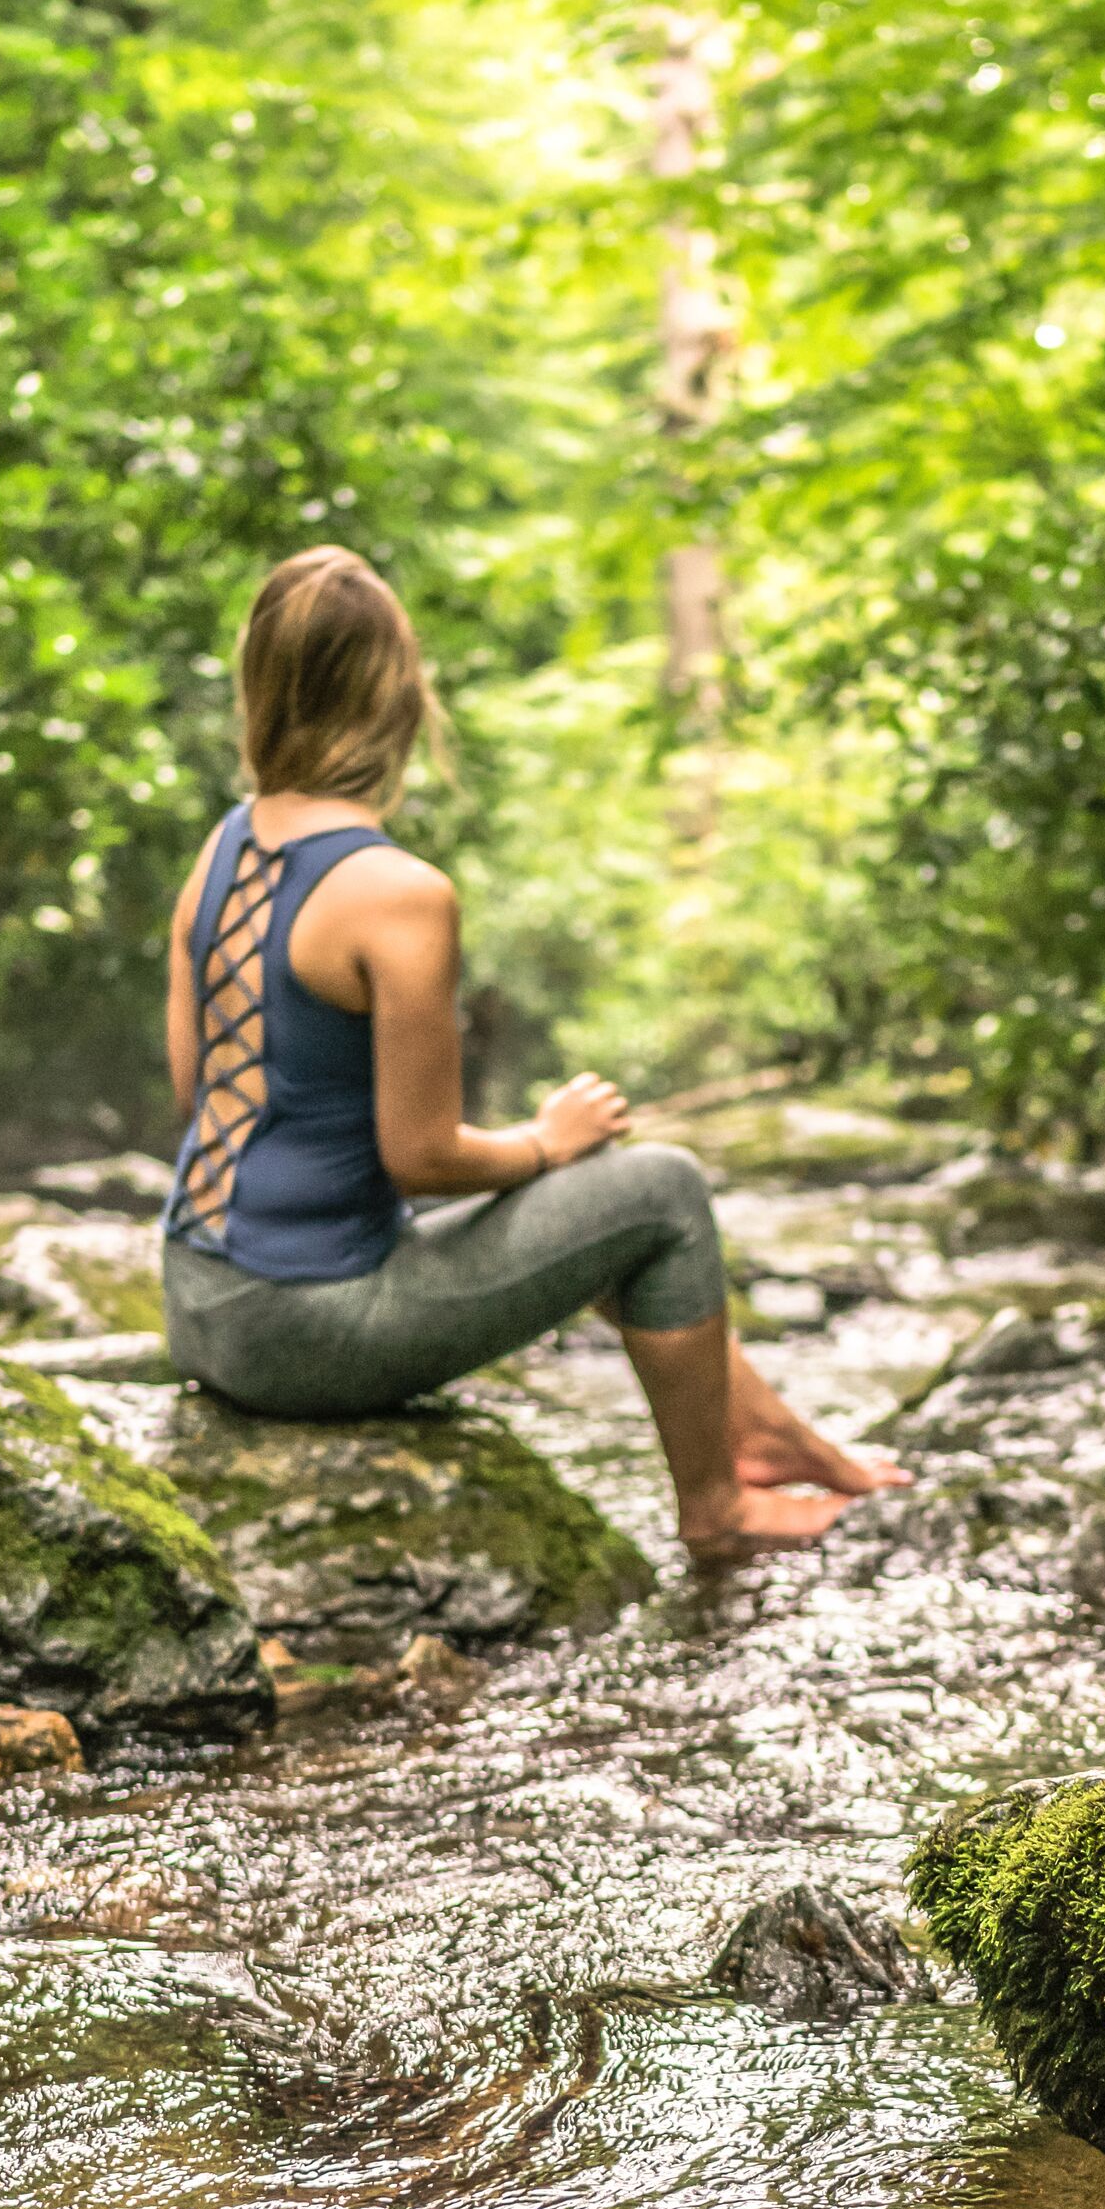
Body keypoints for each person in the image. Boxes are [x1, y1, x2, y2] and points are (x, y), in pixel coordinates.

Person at [160, 546, 903, 1547]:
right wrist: (548, 1143)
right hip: (305, 1333)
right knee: (660, 1190)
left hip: (198, 1297)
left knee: (590, 1219)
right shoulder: (398, 894)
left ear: (259, 688)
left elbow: (194, 1088)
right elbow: (418, 1158)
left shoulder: (224, 849)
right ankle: (718, 1507)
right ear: (399, 697)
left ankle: (767, 1431)